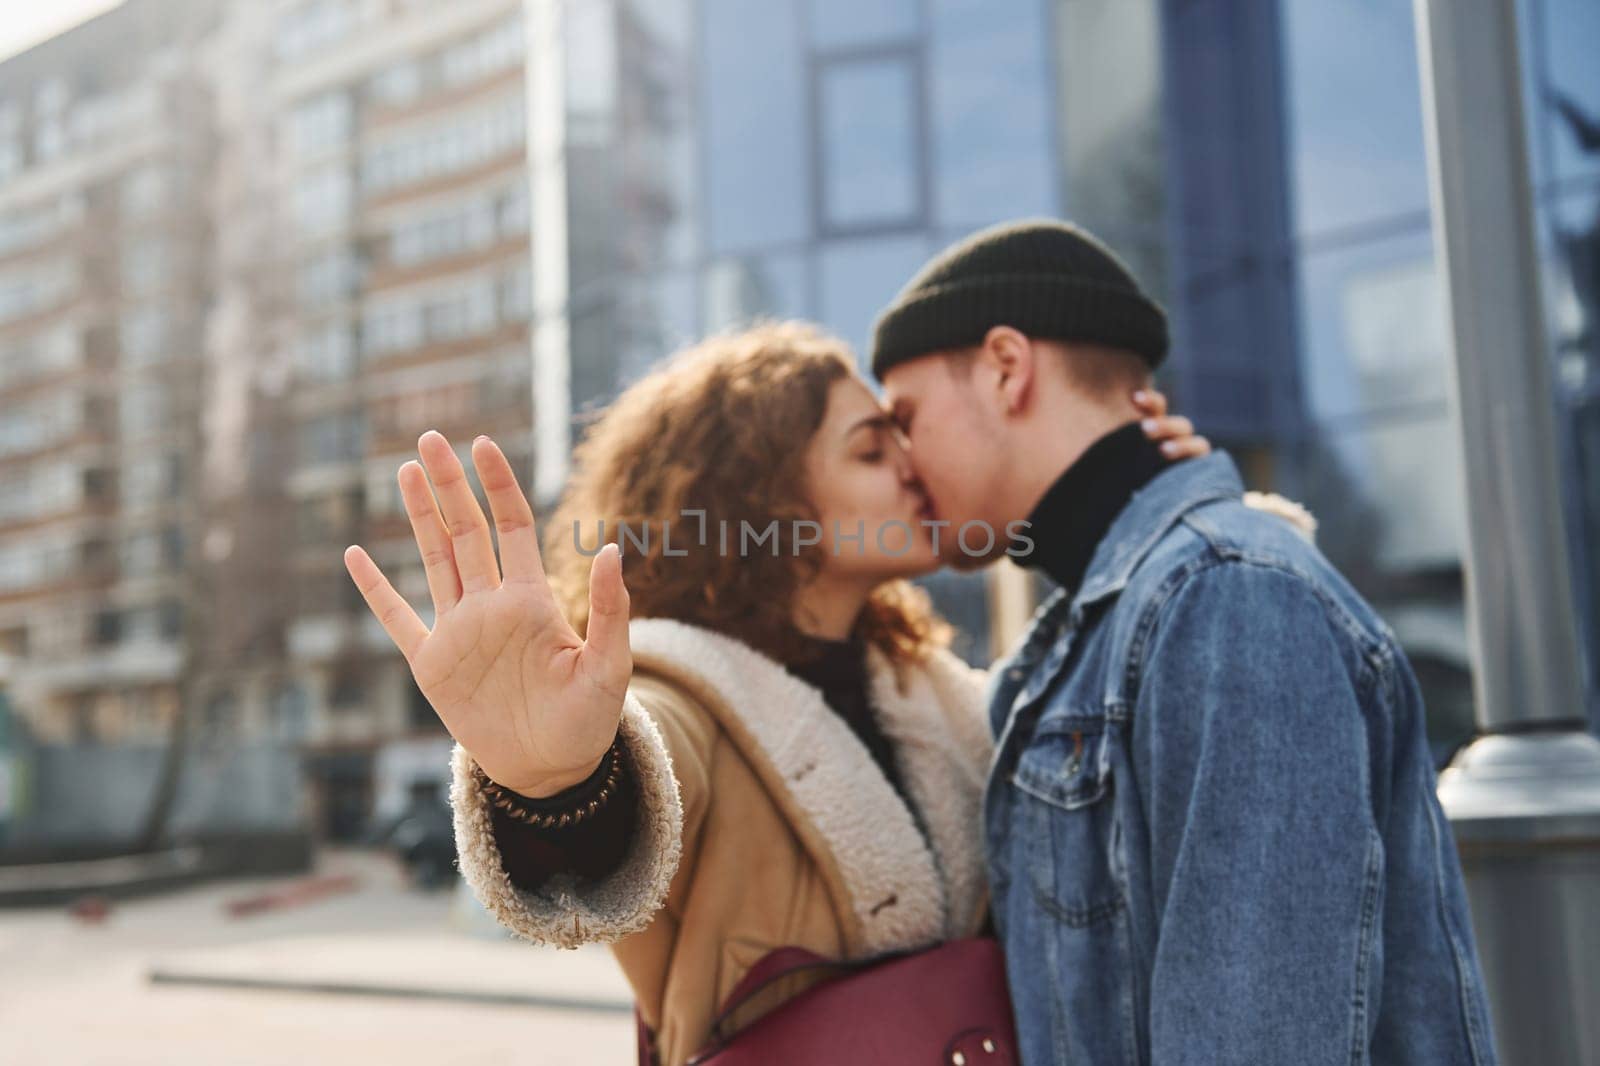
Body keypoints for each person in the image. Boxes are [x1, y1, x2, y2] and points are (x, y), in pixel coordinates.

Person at [343, 322, 1248, 1065]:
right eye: (869, 446)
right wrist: (552, 783)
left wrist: (1147, 512)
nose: (911, 462)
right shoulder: (677, 686)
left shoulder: (940, 695)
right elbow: (637, 773)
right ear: (766, 502)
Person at [870, 218, 1498, 1064]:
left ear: (1007, 369)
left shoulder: (1231, 598)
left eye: (907, 417)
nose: (904, 460)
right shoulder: (1086, 640)